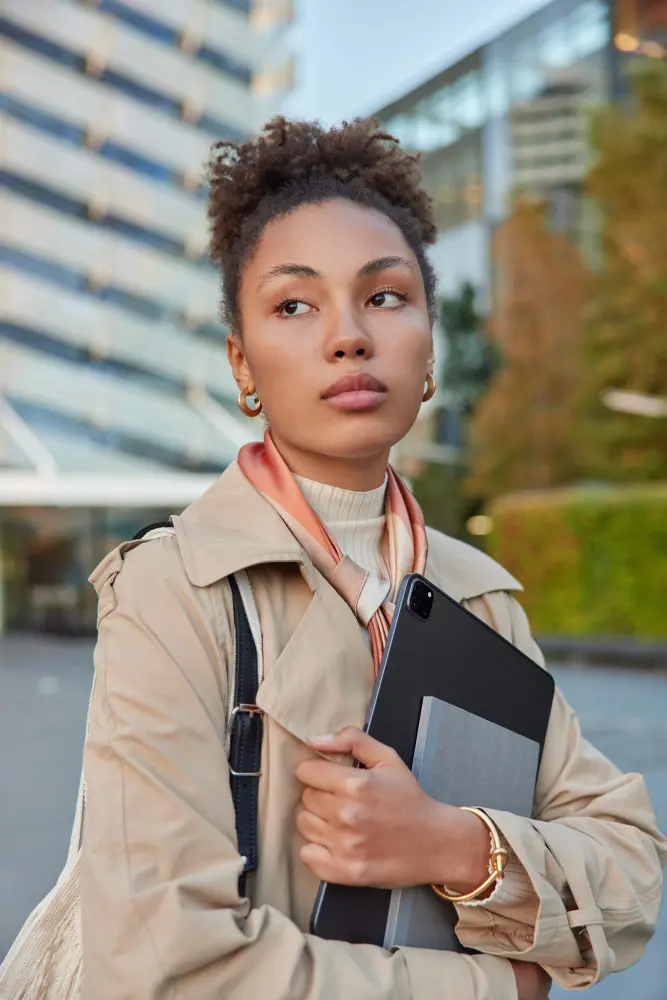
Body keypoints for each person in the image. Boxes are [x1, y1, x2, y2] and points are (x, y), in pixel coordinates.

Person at [80, 118, 666, 1000]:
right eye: (293, 305)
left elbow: (630, 868)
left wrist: (455, 847)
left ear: (427, 346)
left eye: (385, 296)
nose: (348, 336)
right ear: (242, 363)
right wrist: (495, 989)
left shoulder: (473, 594)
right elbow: (163, 964)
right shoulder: (175, 589)